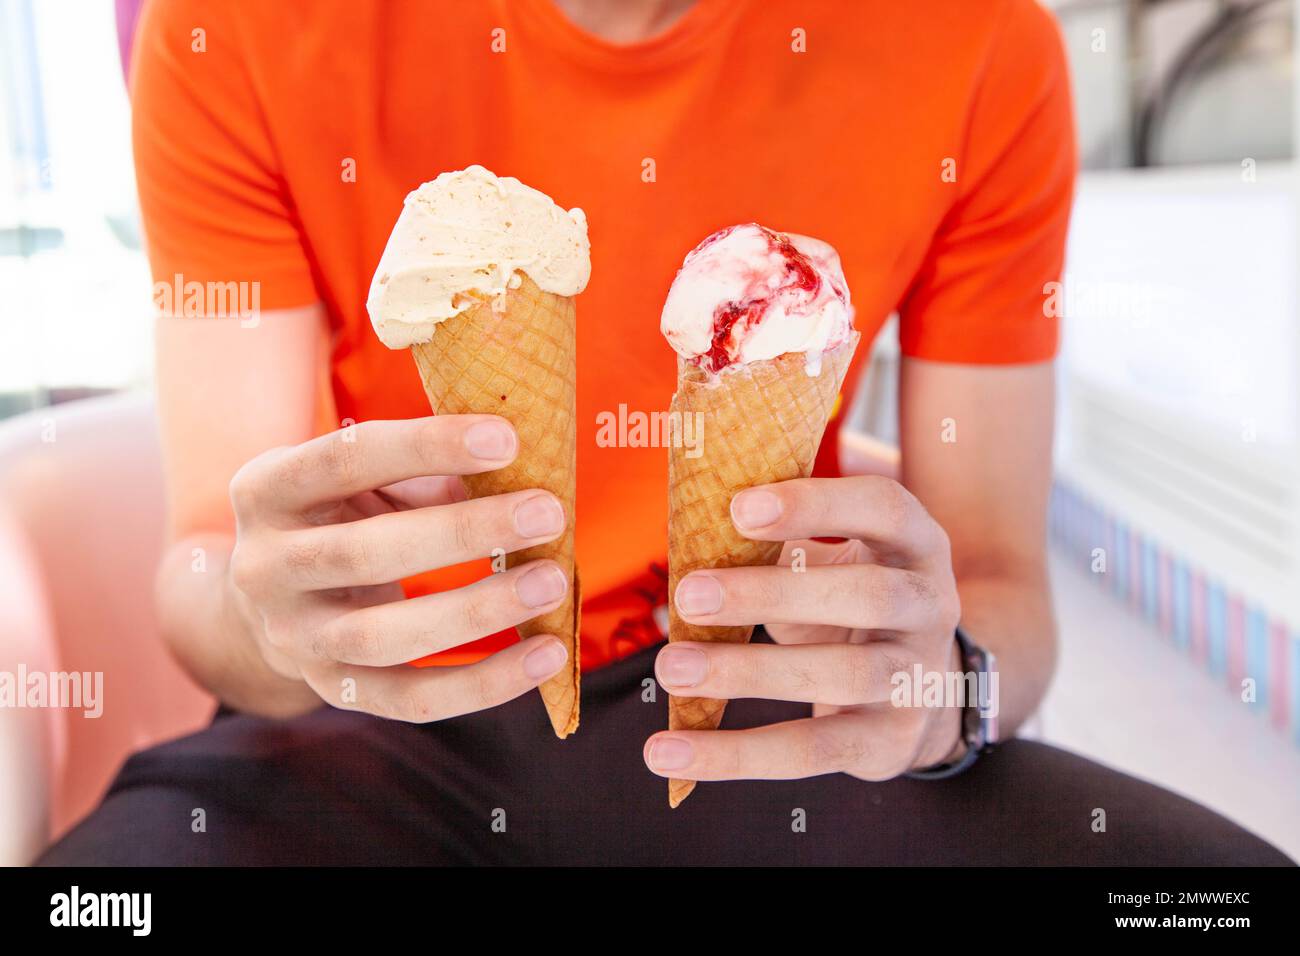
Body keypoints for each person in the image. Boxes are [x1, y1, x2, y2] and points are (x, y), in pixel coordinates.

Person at [40, 0, 1290, 865]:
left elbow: (1006, 595)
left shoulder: (977, 45)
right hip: (372, 716)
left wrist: (942, 685)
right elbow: (207, 566)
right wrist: (275, 619)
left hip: (751, 697)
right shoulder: (243, 31)